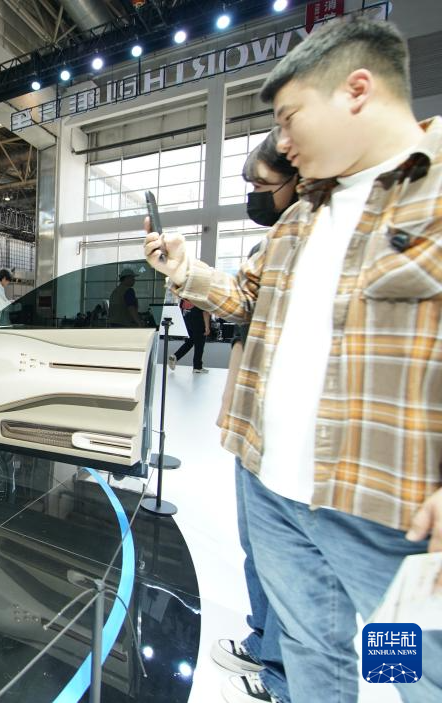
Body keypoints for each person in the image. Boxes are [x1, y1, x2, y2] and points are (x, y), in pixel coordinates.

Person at [144, 18, 441, 703]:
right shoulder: (300, 218)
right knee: (310, 649)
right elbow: (247, 300)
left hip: (383, 511)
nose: (281, 140)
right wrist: (185, 270)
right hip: (272, 488)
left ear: (357, 90)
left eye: (288, 117)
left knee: (410, 669)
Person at [214, 130, 299, 703]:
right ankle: (269, 653)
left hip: (358, 464)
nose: (255, 194)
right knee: (264, 554)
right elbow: (245, 305)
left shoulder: (411, 194)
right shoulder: (288, 232)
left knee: (400, 625)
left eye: (262, 183)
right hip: (265, 431)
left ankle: (287, 680)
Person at [169, 297, 211, 373]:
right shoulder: (200, 298)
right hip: (199, 322)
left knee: (189, 343)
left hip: (187, 322)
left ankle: (176, 356)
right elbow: (205, 312)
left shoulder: (184, 298)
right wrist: (207, 327)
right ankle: (197, 367)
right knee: (199, 345)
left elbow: (182, 310)